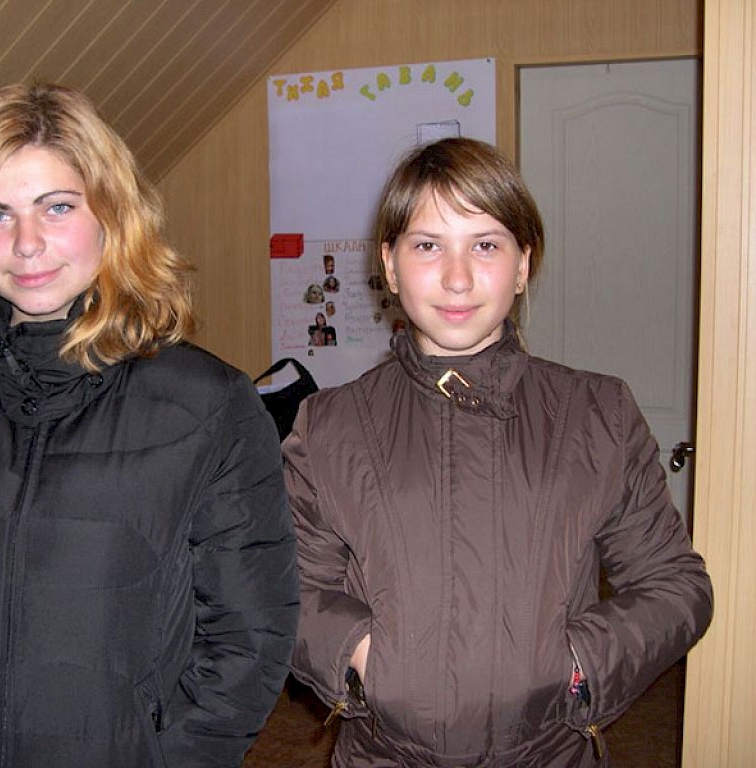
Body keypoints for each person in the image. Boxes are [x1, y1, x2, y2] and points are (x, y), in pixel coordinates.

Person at [0, 83, 299, 768]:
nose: (27, 243)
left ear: (112, 215)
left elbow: (250, 631)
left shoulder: (207, 404)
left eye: (57, 206)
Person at [284, 137, 712, 767]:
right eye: (428, 246)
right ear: (391, 265)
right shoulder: (329, 426)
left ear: (522, 264)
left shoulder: (598, 414)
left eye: (485, 245)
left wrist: (578, 665)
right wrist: (362, 658)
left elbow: (675, 585)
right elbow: (290, 587)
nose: (457, 277)